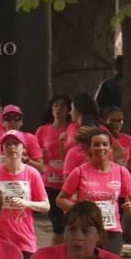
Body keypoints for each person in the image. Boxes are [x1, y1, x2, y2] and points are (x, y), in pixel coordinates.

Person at [56, 128, 131, 254]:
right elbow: (60, 200)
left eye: (105, 144)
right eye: (96, 145)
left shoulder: (121, 172)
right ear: (90, 148)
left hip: (112, 231)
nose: (101, 148)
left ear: (110, 148)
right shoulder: (80, 172)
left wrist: (130, 206)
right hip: (86, 231)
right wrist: (82, 210)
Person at [0, 130, 49, 257]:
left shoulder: (32, 173)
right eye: (8, 144)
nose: (12, 147)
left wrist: (26, 203)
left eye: (16, 143)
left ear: (23, 148)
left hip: (24, 239)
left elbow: (46, 205)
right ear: (2, 149)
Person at [36, 94, 74, 235]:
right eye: (56, 105)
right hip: (49, 178)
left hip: (68, 177)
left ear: (69, 110)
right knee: (56, 220)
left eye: (63, 106)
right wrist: (41, 154)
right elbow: (36, 153)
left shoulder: (72, 129)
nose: (59, 109)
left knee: (70, 218)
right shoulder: (42, 130)